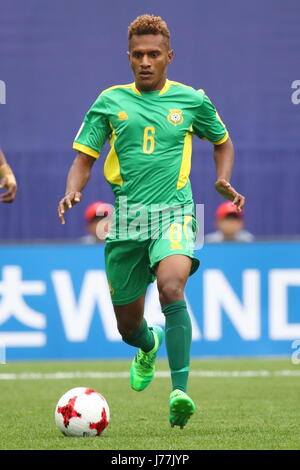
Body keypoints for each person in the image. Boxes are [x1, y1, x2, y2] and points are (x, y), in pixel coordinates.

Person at [58, 14, 245, 428]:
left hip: (175, 213)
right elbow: (83, 160)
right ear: (129, 57)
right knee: (128, 326)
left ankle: (180, 391)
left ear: (169, 57)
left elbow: (223, 142)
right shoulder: (109, 102)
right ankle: (148, 345)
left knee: (172, 285)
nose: (146, 61)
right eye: (138, 54)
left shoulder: (192, 101)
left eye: (154, 54)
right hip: (125, 222)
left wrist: (223, 177)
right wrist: (74, 189)